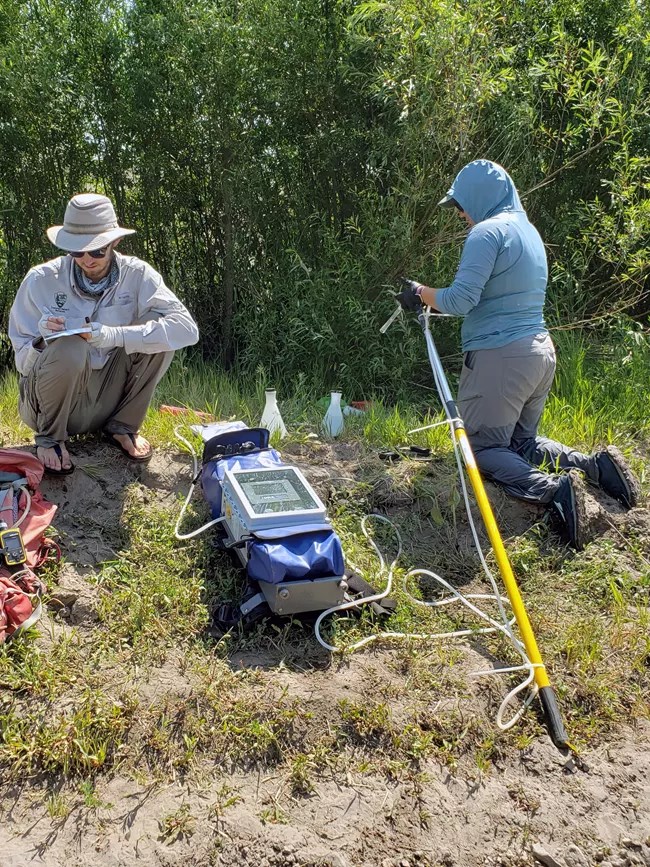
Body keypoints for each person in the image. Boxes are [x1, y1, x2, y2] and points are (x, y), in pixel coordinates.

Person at [397, 159, 639, 550]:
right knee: (521, 444)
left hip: (501, 359)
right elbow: (491, 296)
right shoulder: (528, 232)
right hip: (539, 354)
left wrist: (421, 293)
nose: (460, 213)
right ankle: (597, 467)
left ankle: (556, 493)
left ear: (477, 196)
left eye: (460, 204)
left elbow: (461, 299)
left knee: (481, 447)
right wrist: (432, 300)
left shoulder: (485, 233)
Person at [9, 193, 199, 475]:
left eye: (97, 250)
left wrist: (114, 335)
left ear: (115, 242)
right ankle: (50, 439)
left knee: (159, 328)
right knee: (70, 347)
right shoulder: (40, 280)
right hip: (51, 402)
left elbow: (187, 330)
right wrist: (41, 342)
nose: (87, 259)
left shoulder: (139, 275)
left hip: (108, 396)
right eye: (77, 251)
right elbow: (22, 365)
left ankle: (123, 426)